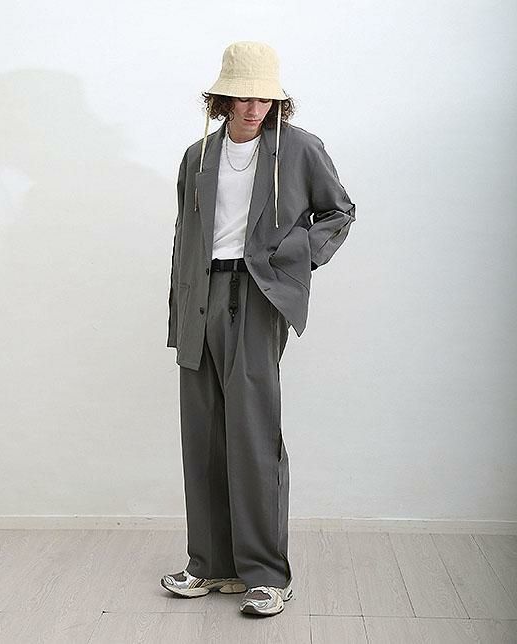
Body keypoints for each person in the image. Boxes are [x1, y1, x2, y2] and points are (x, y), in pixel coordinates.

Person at [161, 41, 356, 617]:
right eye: (243, 97)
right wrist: (178, 313)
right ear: (222, 99)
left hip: (256, 296)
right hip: (201, 298)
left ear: (278, 100)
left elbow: (339, 211)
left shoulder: (299, 148)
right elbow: (184, 237)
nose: (254, 108)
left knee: (253, 434)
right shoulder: (197, 156)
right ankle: (210, 565)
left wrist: (293, 258)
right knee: (203, 436)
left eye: (265, 98)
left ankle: (267, 574)